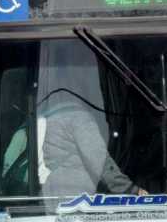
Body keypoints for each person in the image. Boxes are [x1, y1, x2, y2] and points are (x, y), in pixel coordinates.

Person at [37, 43, 146, 199]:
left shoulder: (53, 114)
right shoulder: (77, 117)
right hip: (75, 196)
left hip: (54, 192)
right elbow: (100, 161)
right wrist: (131, 190)